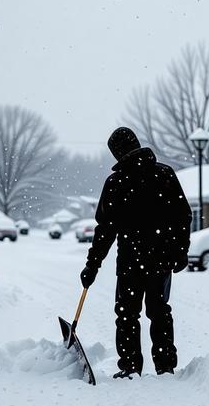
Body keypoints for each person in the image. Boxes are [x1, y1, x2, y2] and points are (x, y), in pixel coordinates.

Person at [80, 127, 192, 379]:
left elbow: (105, 230)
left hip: (131, 262)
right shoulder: (164, 174)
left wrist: (93, 265)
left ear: (117, 153)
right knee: (159, 311)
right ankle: (165, 367)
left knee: (127, 315)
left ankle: (130, 367)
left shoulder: (117, 183)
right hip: (160, 260)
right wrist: (179, 251)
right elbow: (182, 216)